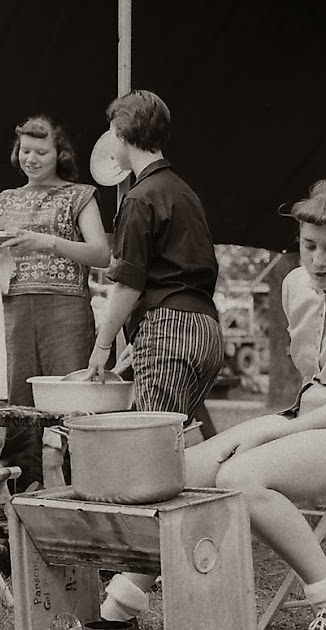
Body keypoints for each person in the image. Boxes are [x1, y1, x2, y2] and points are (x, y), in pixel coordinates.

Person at [99, 181, 326, 630]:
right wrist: (285, 427)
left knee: (241, 476)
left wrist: (266, 431)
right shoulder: (296, 285)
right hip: (316, 418)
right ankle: (118, 611)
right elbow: (314, 378)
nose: (317, 260)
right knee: (181, 471)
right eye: (308, 245)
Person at [86, 90, 224, 421]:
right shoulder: (184, 192)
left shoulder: (139, 198)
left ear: (119, 134)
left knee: (153, 447)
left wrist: (101, 347)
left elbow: (129, 283)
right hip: (207, 330)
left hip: (167, 327)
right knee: (174, 441)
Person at [0, 115, 111, 492]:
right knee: (20, 403)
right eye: (25, 150)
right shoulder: (3, 200)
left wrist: (47, 242)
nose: (32, 158)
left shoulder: (80, 195)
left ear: (59, 154)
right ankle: (23, 498)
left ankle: (88, 493)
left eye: (41, 151)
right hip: (17, 307)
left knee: (74, 402)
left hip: (66, 309)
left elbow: (101, 254)